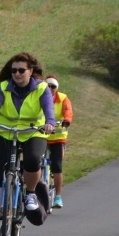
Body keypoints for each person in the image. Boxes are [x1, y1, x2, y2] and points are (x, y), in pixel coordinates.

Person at [0, 52, 55, 236]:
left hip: (32, 133)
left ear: (31, 71)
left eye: (21, 70)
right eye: (14, 71)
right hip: (6, 133)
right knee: (0, 176)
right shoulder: (3, 87)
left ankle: (30, 193)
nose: (17, 74)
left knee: (33, 161)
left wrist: (50, 123)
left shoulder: (41, 88)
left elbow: (48, 108)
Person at [44, 75, 73, 208]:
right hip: (41, 137)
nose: (50, 88)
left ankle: (58, 196)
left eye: (53, 86)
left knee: (56, 166)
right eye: (48, 85)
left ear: (57, 88)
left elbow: (68, 111)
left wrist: (66, 120)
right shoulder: (39, 97)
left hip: (57, 138)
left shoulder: (62, 98)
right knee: (35, 164)